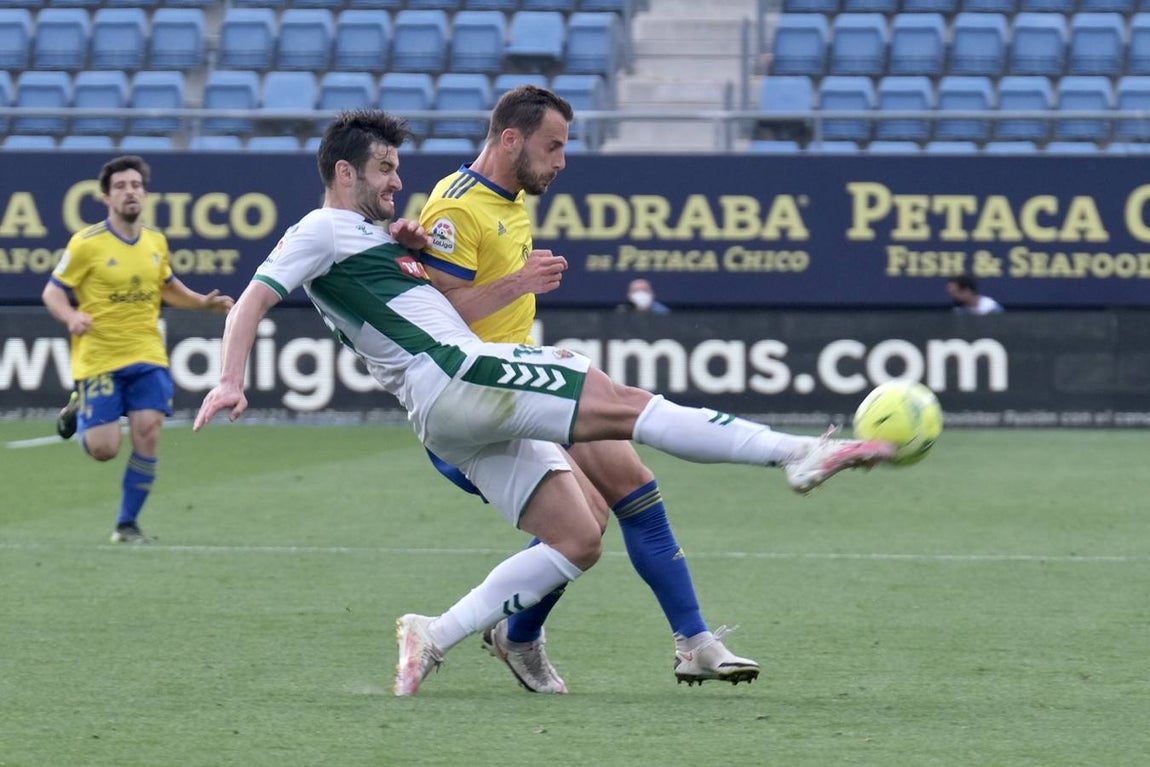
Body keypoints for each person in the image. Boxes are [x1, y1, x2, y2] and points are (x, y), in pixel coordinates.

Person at [191, 109, 895, 697]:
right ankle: (798, 452)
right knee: (626, 404)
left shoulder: (374, 237)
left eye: (397, 168)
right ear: (344, 173)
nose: (396, 180)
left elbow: (403, 290)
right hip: (464, 374)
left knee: (578, 538)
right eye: (383, 169)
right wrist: (230, 376)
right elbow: (254, 298)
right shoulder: (319, 228)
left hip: (442, 412)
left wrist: (400, 244)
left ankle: (434, 633)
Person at [418, 85, 750, 695]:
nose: (562, 161)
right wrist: (521, 282)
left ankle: (692, 642)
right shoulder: (455, 208)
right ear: (510, 139)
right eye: (554, 146)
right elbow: (433, 326)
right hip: (476, 405)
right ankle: (516, 638)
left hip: (524, 387)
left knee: (630, 494)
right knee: (587, 526)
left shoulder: (509, 200)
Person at [42, 155, 235, 544]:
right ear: (105, 197)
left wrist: (201, 303)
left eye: (135, 185)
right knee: (104, 449)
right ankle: (79, 412)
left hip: (147, 353)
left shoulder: (155, 241)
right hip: (99, 357)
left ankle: (126, 525)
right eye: (120, 186)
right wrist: (70, 318)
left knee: (148, 430)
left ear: (144, 194)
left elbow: (165, 286)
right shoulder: (86, 243)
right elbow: (53, 291)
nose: (129, 192)